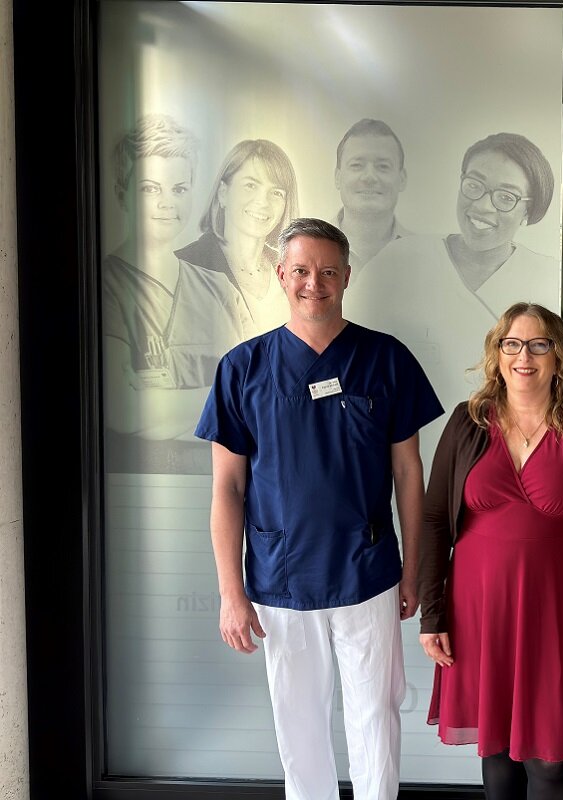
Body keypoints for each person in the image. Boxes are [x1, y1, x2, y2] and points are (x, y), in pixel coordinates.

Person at [195, 218, 443, 799]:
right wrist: (231, 593)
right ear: (281, 275)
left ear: (347, 277)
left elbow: (410, 472)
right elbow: (227, 490)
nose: (315, 283)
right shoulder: (242, 369)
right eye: (302, 271)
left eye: (328, 271)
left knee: (376, 716)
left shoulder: (385, 359)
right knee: (298, 725)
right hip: (281, 578)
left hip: (370, 571)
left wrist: (414, 568)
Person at [418, 302, 563, 800]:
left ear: (558, 357)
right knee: (498, 758)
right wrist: (432, 613)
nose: (523, 356)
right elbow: (434, 520)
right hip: (480, 611)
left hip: (557, 614)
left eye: (538, 344)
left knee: (551, 762)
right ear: (497, 354)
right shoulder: (467, 424)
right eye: (512, 344)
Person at [354, 132, 559, 472]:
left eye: (505, 197)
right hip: (407, 464)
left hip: (509, 471)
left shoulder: (547, 278)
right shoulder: (403, 259)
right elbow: (348, 350)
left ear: (528, 211)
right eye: (474, 185)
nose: (482, 206)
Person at [101, 113, 247, 473]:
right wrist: (223, 401)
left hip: (229, 481)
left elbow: (257, 396)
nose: (167, 202)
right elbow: (123, 411)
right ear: (122, 192)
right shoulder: (105, 286)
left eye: (179, 189)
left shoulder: (219, 288)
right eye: (151, 188)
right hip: (143, 490)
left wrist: (163, 403)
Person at [177, 138, 298, 337]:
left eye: (276, 192)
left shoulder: (293, 270)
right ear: (223, 193)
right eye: (251, 185)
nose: (263, 202)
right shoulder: (185, 265)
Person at [333, 118, 413, 269]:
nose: (369, 177)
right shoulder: (306, 248)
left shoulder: (427, 256)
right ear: (338, 177)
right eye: (356, 165)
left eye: (383, 166)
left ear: (402, 179)